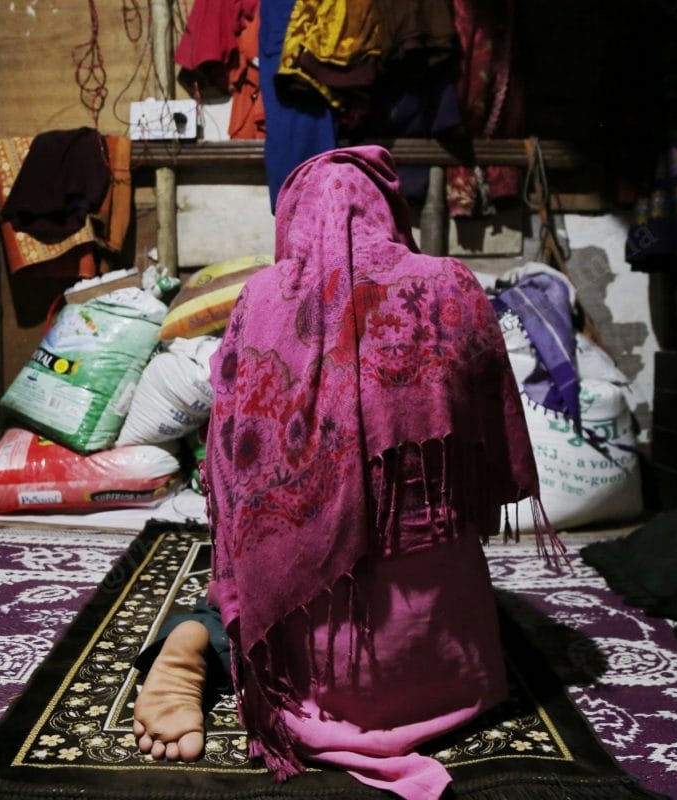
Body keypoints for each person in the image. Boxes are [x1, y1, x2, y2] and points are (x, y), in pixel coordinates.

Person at [133, 145, 553, 800]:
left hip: (311, 637)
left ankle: (202, 634)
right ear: (390, 211)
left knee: (254, 568)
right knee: (446, 557)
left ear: (293, 220)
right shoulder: (453, 284)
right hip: (441, 652)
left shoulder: (259, 301)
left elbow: (226, 469)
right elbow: (494, 450)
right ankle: (423, 646)